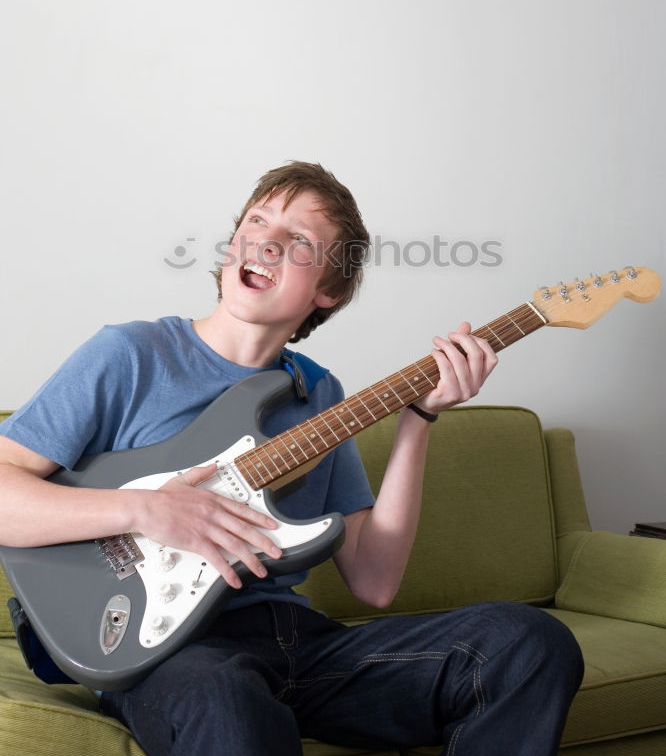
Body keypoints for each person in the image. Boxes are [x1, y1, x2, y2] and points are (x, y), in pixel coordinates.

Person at [0, 160, 583, 755]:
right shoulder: (130, 354)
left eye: (299, 240)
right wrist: (146, 512)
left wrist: (420, 416)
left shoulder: (319, 395)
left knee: (528, 642)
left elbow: (375, 581)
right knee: (225, 698)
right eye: (257, 221)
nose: (267, 240)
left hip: (299, 644)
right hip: (172, 653)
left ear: (328, 291)